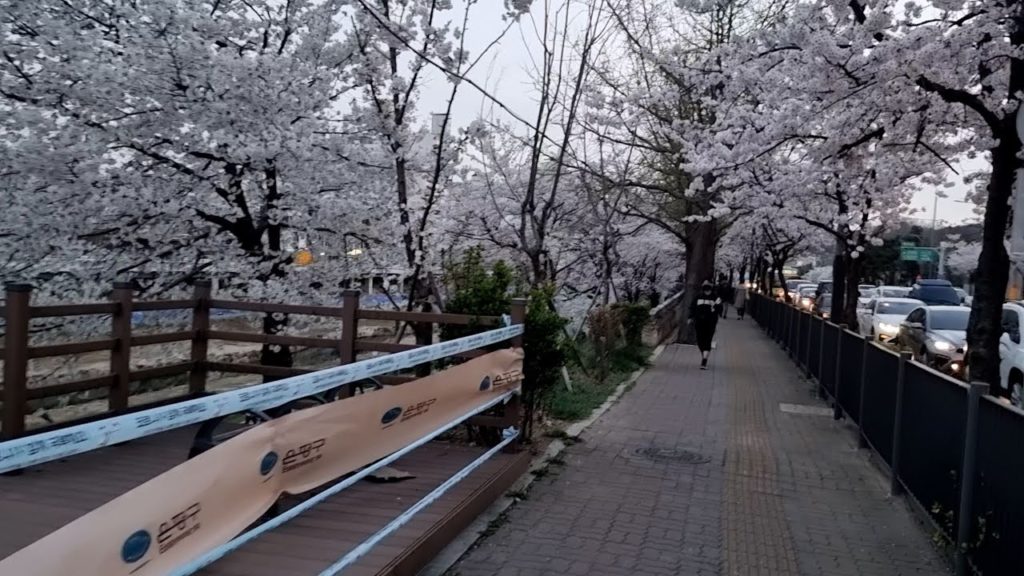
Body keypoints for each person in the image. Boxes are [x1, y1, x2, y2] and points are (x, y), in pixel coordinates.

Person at [689, 280, 723, 370]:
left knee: (708, 340)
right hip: (699, 321)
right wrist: (690, 317)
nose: (707, 291)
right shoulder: (698, 297)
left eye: (708, 289)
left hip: (710, 322)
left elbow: (720, 309)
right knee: (700, 340)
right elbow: (692, 307)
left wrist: (715, 309)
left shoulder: (716, 298)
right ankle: (704, 353)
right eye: (705, 289)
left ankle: (704, 360)